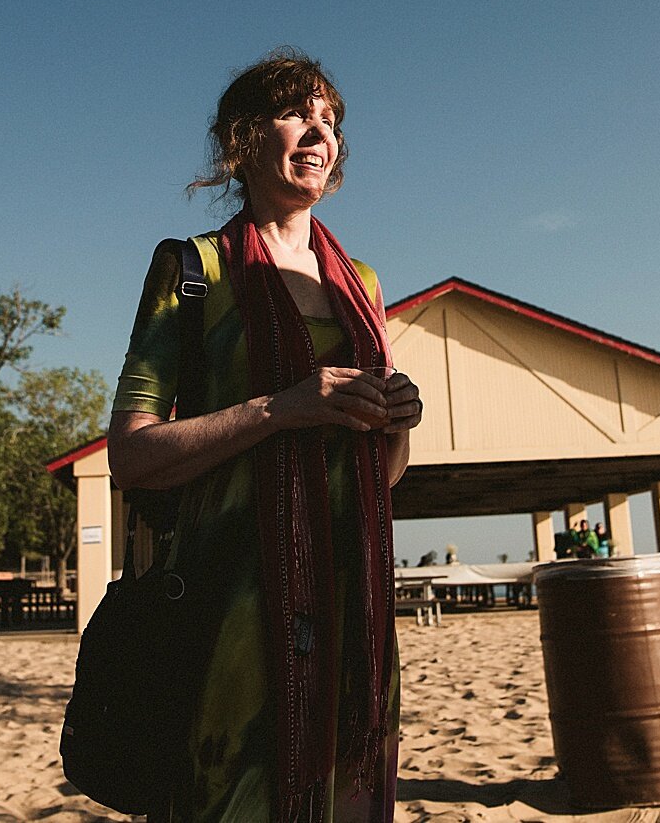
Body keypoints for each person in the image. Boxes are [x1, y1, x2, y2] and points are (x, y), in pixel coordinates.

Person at [107, 50, 423, 823]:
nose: (320, 130)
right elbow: (131, 453)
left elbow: (376, 480)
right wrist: (282, 407)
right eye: (297, 112)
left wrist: (395, 420)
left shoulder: (365, 285)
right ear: (242, 140)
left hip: (354, 609)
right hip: (229, 612)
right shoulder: (195, 268)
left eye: (331, 119)